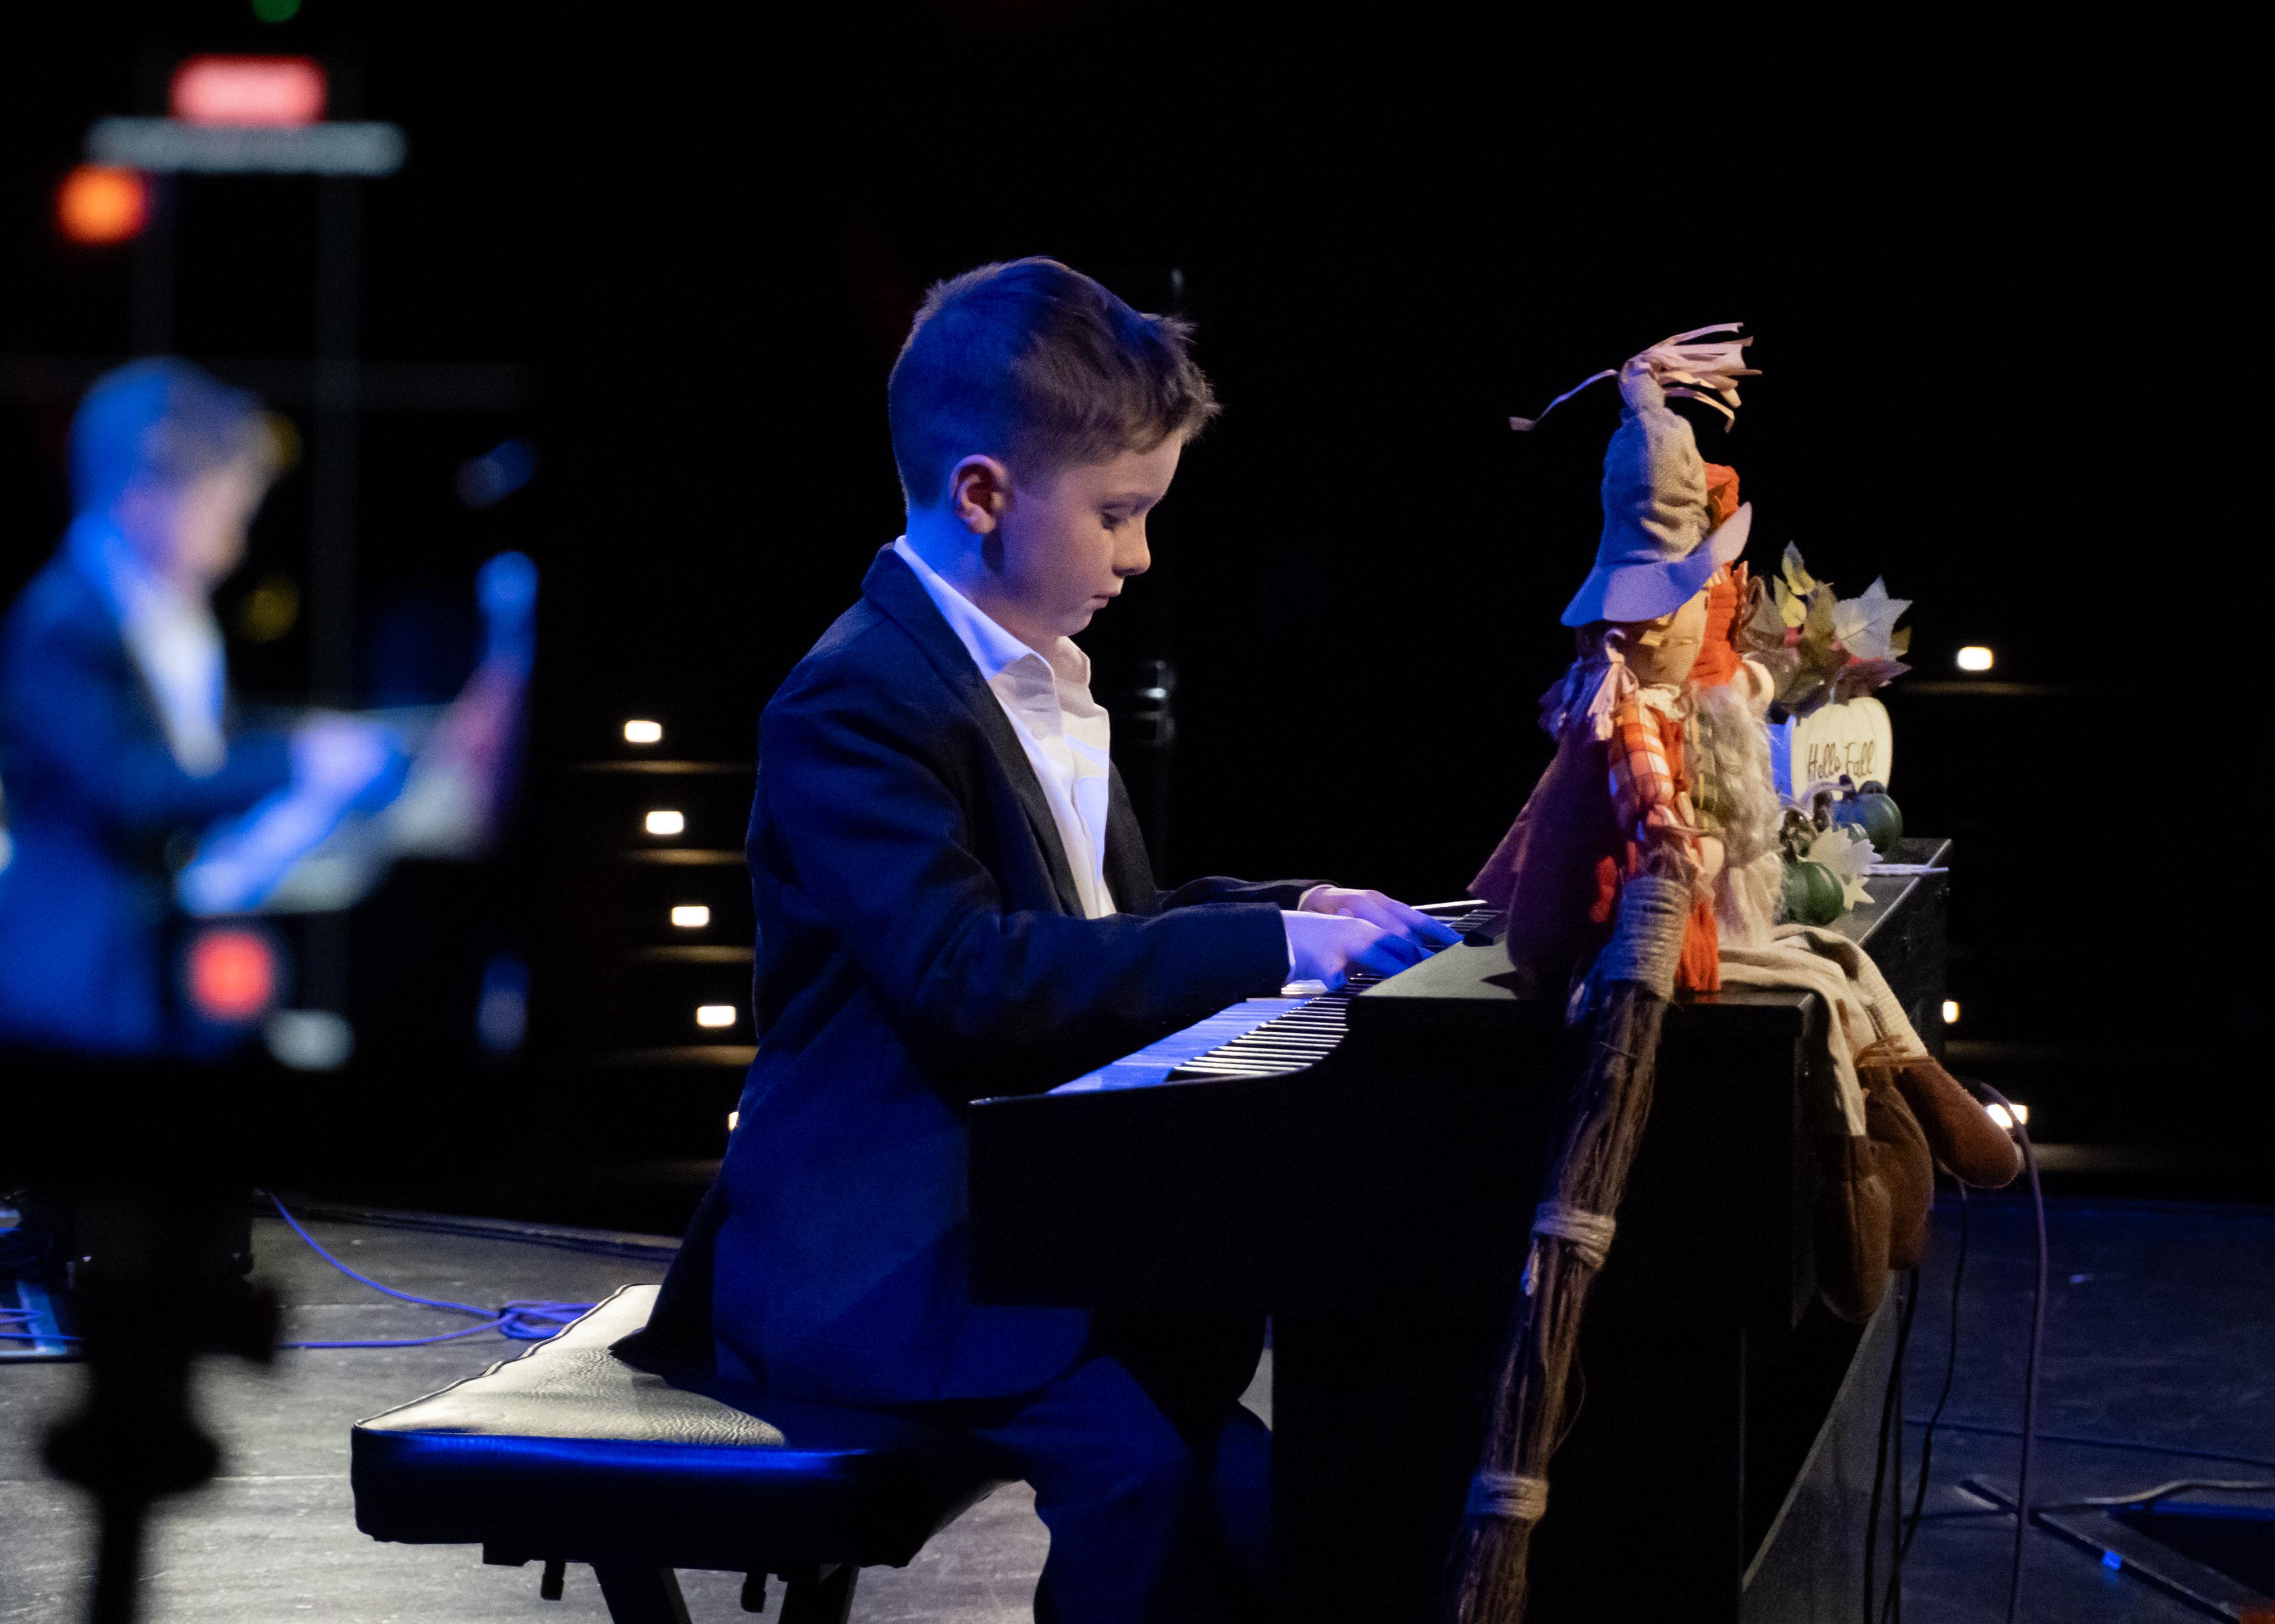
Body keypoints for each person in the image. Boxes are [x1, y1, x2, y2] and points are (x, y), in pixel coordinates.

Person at [630, 259, 1456, 1621]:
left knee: (1277, 1458)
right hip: (892, 1254)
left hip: (1031, 1216)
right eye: (1119, 514)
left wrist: (1306, 911)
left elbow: (1097, 932)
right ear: (980, 493)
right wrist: (1270, 949)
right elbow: (971, 978)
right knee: (1148, 1472)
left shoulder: (1030, 667)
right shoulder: (853, 704)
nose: (1138, 556)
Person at [0, 359, 398, 1056]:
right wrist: (294, 759)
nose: (236, 542)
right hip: (81, 981)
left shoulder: (174, 619)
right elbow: (129, 782)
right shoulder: (60, 625)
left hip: (163, 964)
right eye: (222, 509)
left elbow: (208, 755)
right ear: (145, 497)